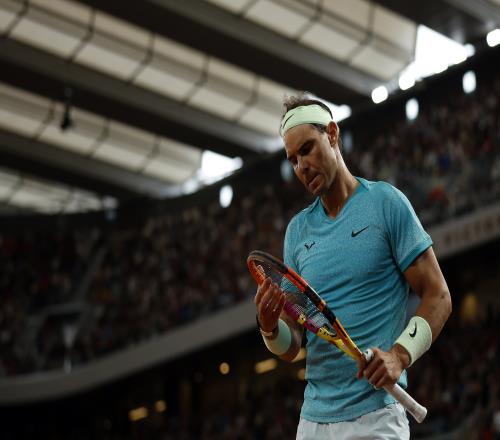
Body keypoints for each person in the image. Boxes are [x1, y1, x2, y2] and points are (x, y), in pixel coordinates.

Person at [254, 94, 452, 439]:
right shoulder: (297, 232)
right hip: (313, 423)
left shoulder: (386, 204)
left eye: (307, 149)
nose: (301, 167)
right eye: (293, 159)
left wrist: (399, 356)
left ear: (332, 134)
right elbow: (292, 345)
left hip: (377, 418)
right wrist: (270, 329)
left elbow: (439, 296)